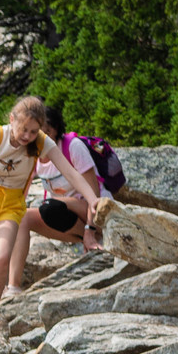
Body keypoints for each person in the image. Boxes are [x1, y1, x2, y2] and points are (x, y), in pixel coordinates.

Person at [0, 96, 103, 326]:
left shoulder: (41, 142)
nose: (27, 136)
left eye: (34, 131)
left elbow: (71, 173)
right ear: (12, 119)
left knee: (2, 256)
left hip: (9, 206)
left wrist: (92, 199)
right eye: (24, 129)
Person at [25, 103, 113, 254]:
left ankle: (92, 236)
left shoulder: (73, 146)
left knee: (51, 206)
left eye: (45, 132)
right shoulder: (35, 155)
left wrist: (90, 230)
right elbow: (21, 192)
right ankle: (86, 239)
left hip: (96, 212)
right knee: (23, 217)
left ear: (55, 129)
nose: (39, 138)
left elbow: (94, 194)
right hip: (65, 215)